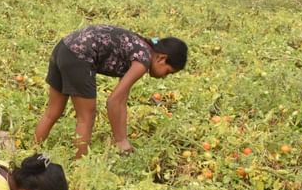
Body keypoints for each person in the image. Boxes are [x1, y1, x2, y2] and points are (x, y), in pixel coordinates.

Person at [34, 25, 187, 158]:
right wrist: (121, 141)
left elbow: (121, 101)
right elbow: (113, 100)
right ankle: (80, 166)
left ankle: (32, 152)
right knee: (86, 116)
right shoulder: (143, 60)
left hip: (64, 47)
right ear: (161, 58)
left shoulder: (139, 46)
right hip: (79, 55)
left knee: (52, 111)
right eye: (168, 72)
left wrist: (122, 140)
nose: (164, 77)